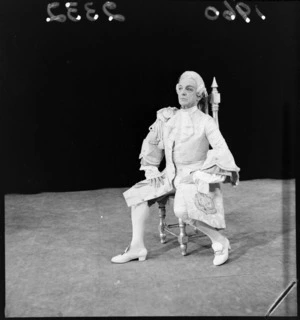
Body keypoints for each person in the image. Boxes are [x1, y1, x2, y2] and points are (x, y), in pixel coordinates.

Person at [111, 71, 240, 266]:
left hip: (193, 176)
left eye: (189, 89)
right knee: (137, 196)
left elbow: (223, 151)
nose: (183, 93)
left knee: (181, 210)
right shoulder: (167, 117)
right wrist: (151, 169)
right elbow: (152, 143)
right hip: (170, 174)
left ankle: (220, 240)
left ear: (198, 95)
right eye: (180, 88)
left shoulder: (206, 122)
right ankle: (137, 247)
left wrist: (201, 174)